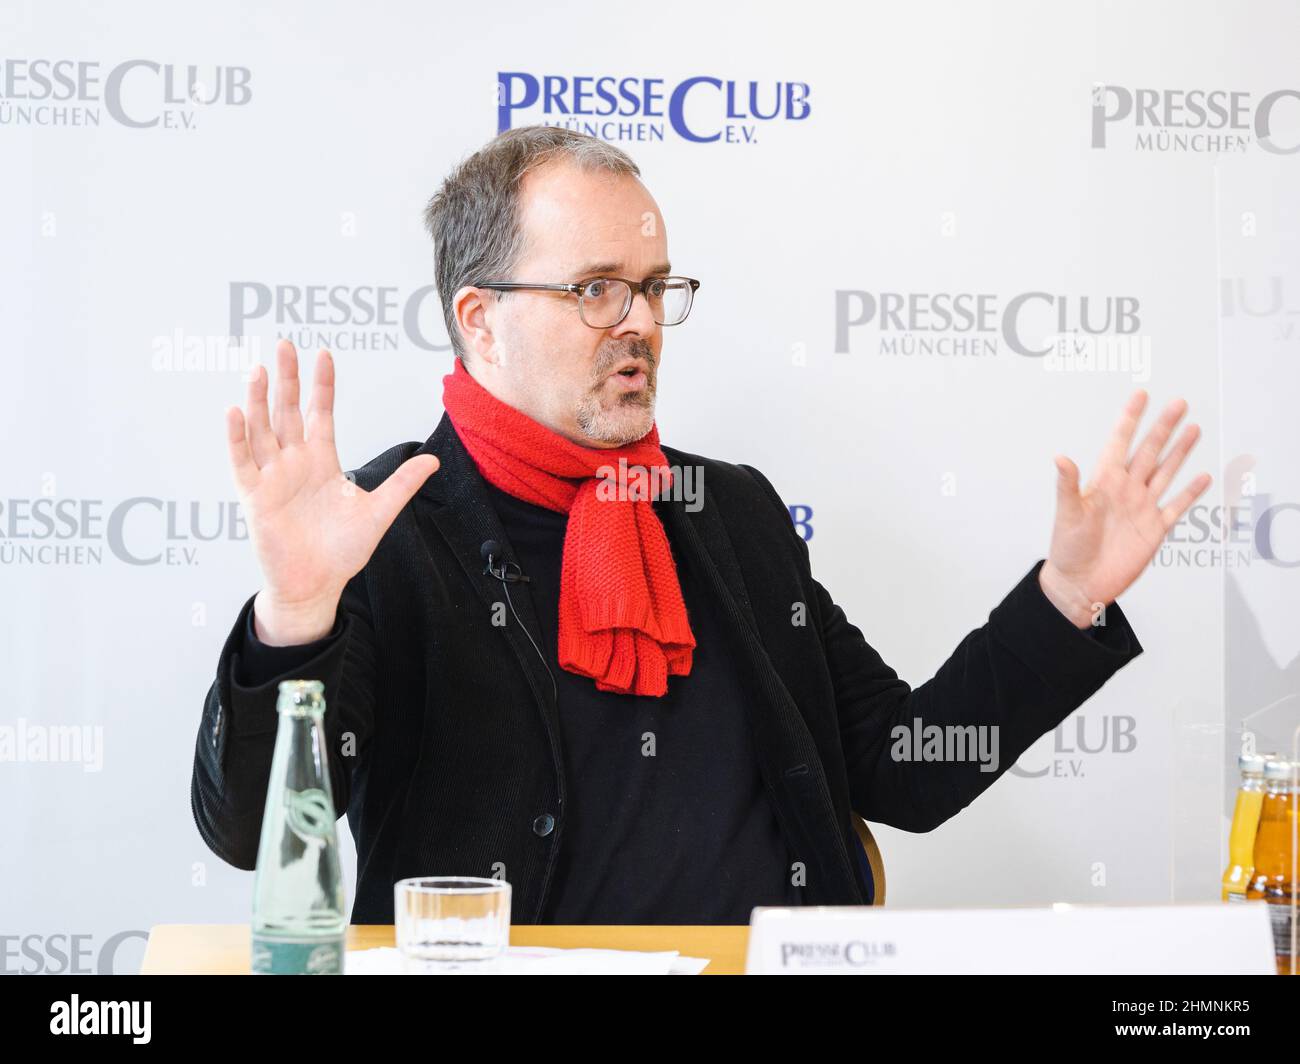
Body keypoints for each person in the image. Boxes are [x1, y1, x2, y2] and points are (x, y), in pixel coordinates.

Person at [191, 125, 1211, 925]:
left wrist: (1067, 598)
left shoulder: (728, 510)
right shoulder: (384, 529)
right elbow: (255, 832)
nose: (636, 321)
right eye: (593, 288)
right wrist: (295, 612)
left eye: (649, 287)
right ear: (480, 319)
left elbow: (905, 766)